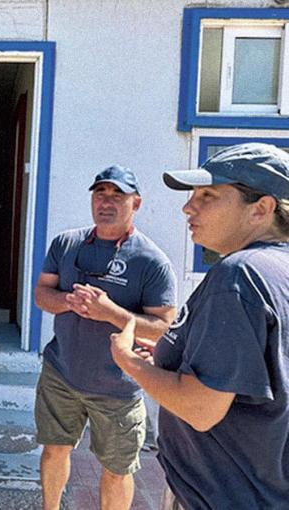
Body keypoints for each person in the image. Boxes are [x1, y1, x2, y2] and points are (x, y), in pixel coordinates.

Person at [110, 143, 289, 509]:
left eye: (208, 195)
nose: (188, 207)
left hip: (222, 495)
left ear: (262, 208)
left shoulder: (239, 275)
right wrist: (172, 358)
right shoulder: (277, 271)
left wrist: (131, 364)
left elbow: (200, 408)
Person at [34, 165, 177, 510]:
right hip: (61, 373)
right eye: (100, 193)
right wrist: (68, 301)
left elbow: (163, 329)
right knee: (55, 450)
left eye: (118, 195)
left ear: (136, 203)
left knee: (116, 469)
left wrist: (110, 312)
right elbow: (41, 294)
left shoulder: (151, 261)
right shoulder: (66, 243)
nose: (106, 202)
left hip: (118, 386)